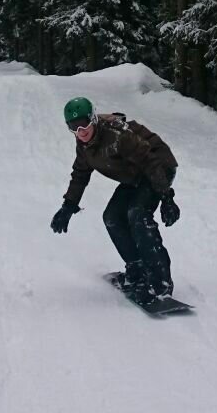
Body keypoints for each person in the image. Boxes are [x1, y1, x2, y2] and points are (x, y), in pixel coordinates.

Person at [51, 96, 181, 302]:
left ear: (93, 118)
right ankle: (137, 270)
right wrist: (68, 206)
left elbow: (150, 161)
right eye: (74, 127)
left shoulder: (117, 135)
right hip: (135, 175)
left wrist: (167, 198)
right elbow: (80, 174)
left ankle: (160, 284)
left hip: (158, 168)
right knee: (112, 216)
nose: (80, 131)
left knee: (138, 214)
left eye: (83, 123)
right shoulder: (84, 144)